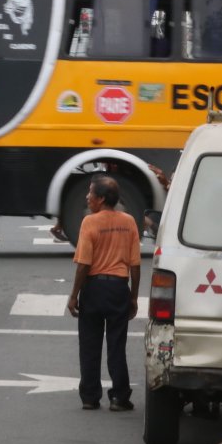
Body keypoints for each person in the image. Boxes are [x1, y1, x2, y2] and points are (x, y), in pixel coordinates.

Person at [66, 175, 141, 411]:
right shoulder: (129, 222)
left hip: (94, 288)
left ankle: (90, 397)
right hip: (118, 287)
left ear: (100, 199)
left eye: (90, 193)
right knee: (117, 345)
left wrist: (74, 295)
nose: (87, 197)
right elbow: (135, 265)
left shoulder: (89, 222)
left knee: (90, 344)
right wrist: (133, 297)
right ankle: (119, 397)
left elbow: (84, 265)